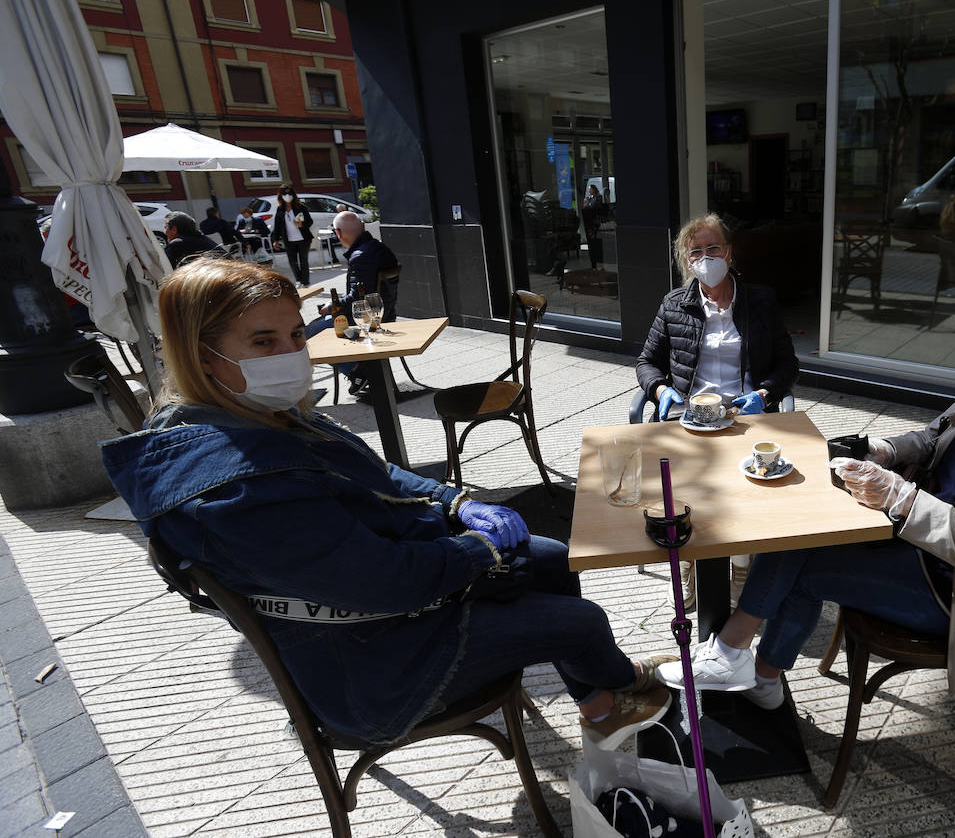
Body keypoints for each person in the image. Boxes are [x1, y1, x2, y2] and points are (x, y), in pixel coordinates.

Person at [100, 258, 673, 750]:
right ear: (202, 358)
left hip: (389, 616)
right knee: (580, 621)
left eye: (296, 335)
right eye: (262, 342)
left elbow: (379, 474)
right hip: (372, 666)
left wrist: (455, 504)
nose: (291, 353)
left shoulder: (252, 413)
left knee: (547, 555)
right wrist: (475, 548)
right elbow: (385, 583)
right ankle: (611, 689)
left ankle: (602, 697)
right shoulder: (236, 487)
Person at [657, 248, 955, 750]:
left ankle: (738, 656)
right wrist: (879, 450)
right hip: (919, 543)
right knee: (798, 528)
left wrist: (899, 496)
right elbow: (935, 438)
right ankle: (760, 674)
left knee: (796, 555)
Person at [636, 212, 799, 606]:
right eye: (696, 252)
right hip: (690, 420)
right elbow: (646, 362)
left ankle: (742, 569)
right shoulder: (674, 303)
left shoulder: (760, 300)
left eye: (713, 248)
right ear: (686, 261)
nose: (705, 258)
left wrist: (764, 392)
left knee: (744, 495)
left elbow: (787, 364)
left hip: (747, 416)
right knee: (691, 494)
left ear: (728, 252)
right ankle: (692, 563)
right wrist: (660, 391)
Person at [307, 211, 400, 398]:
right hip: (385, 312)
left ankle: (357, 370)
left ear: (338, 233)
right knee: (320, 325)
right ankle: (360, 368)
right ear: (364, 227)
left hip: (369, 319)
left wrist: (332, 307)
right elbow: (361, 292)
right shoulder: (378, 248)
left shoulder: (360, 256)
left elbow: (357, 300)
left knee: (308, 335)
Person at [270, 184, 314, 286]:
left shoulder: (301, 207)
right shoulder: (280, 209)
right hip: (289, 240)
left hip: (303, 239)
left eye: (289, 193)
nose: (287, 196)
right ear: (281, 195)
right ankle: (298, 280)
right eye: (285, 194)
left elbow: (310, 222)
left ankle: (305, 282)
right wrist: (275, 240)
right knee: (292, 262)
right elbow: (277, 226)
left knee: (303, 261)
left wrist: (302, 224)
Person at [582, 183, 604, 270]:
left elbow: (592, 206)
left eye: (590, 189)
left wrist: (588, 204)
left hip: (595, 221)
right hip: (589, 221)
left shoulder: (598, 197)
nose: (589, 191)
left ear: (594, 189)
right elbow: (586, 206)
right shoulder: (590, 198)